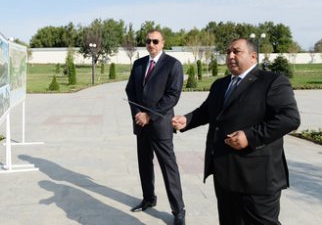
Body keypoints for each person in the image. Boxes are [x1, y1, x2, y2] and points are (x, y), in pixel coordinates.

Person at [172, 38, 300, 225]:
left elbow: (290, 118)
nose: (230, 56)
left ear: (253, 56)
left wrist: (250, 136)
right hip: (225, 174)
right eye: (228, 52)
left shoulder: (272, 82)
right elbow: (207, 111)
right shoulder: (220, 85)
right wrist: (186, 120)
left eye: (236, 51)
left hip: (257, 178)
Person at [125, 29, 186, 225]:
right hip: (141, 125)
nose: (151, 44)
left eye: (155, 41)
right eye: (148, 41)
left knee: (169, 168)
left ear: (163, 43)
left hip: (160, 125)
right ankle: (148, 198)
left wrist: (149, 115)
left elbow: (172, 95)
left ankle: (178, 210)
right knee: (144, 164)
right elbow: (130, 91)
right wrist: (137, 114)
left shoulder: (173, 65)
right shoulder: (138, 64)